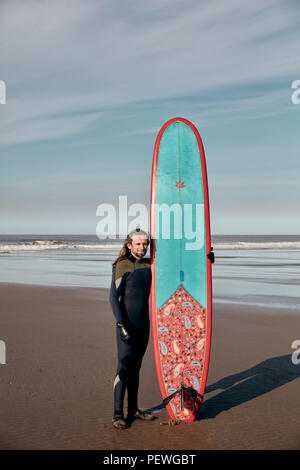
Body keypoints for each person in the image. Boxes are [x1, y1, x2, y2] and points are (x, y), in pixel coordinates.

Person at [109, 228, 155, 429]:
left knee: (136, 368)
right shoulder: (122, 265)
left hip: (144, 325)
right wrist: (121, 325)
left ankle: (133, 410)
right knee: (124, 368)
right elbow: (113, 298)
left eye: (145, 244)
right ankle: (118, 414)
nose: (142, 247)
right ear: (129, 245)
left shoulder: (149, 265)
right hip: (126, 326)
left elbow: (177, 266)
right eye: (138, 244)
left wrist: (207, 259)